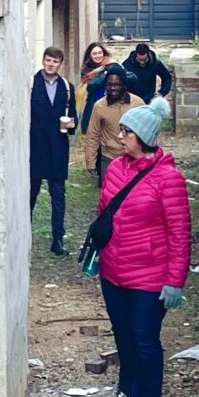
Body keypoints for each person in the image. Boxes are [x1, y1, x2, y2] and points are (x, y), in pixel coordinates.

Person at [97, 97, 191, 397]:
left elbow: (180, 233)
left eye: (126, 132)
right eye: (121, 131)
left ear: (144, 138)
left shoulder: (169, 179)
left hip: (150, 277)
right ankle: (126, 386)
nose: (120, 137)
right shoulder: (114, 168)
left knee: (145, 338)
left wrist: (174, 281)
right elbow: (103, 215)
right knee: (123, 334)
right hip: (113, 271)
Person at [30, 47, 77, 256]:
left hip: (58, 149)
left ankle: (58, 239)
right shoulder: (31, 84)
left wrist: (71, 125)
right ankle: (24, 235)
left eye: (55, 61)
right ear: (43, 60)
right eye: (48, 60)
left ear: (61, 63)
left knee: (58, 196)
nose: (50, 64)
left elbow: (73, 119)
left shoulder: (67, 88)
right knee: (30, 194)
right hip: (35, 148)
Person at [84, 64, 144, 185]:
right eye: (110, 85)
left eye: (117, 85)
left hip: (133, 159)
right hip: (109, 158)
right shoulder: (99, 106)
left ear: (124, 85)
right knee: (109, 198)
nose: (113, 88)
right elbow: (93, 134)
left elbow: (147, 132)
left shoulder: (138, 104)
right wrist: (90, 160)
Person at [77, 41, 111, 136]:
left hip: (110, 104)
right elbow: (91, 86)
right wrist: (104, 73)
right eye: (94, 53)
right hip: (94, 104)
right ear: (90, 55)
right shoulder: (87, 71)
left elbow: (130, 77)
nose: (98, 56)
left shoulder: (111, 66)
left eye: (100, 53)